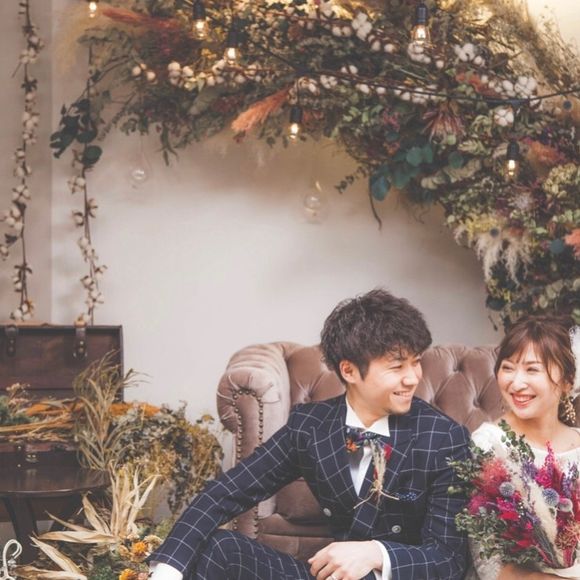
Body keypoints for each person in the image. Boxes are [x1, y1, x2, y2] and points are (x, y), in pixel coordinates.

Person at [149, 288, 470, 579]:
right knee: (218, 547)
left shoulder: (444, 438)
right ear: (349, 370)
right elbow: (225, 493)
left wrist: (375, 553)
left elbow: (448, 559)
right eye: (397, 367)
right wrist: (165, 572)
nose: (413, 378)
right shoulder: (310, 426)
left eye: (416, 362)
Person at [469, 315, 580, 580]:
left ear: (567, 381)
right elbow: (487, 558)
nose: (516, 383)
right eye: (508, 368)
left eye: (532, 370)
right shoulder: (489, 445)